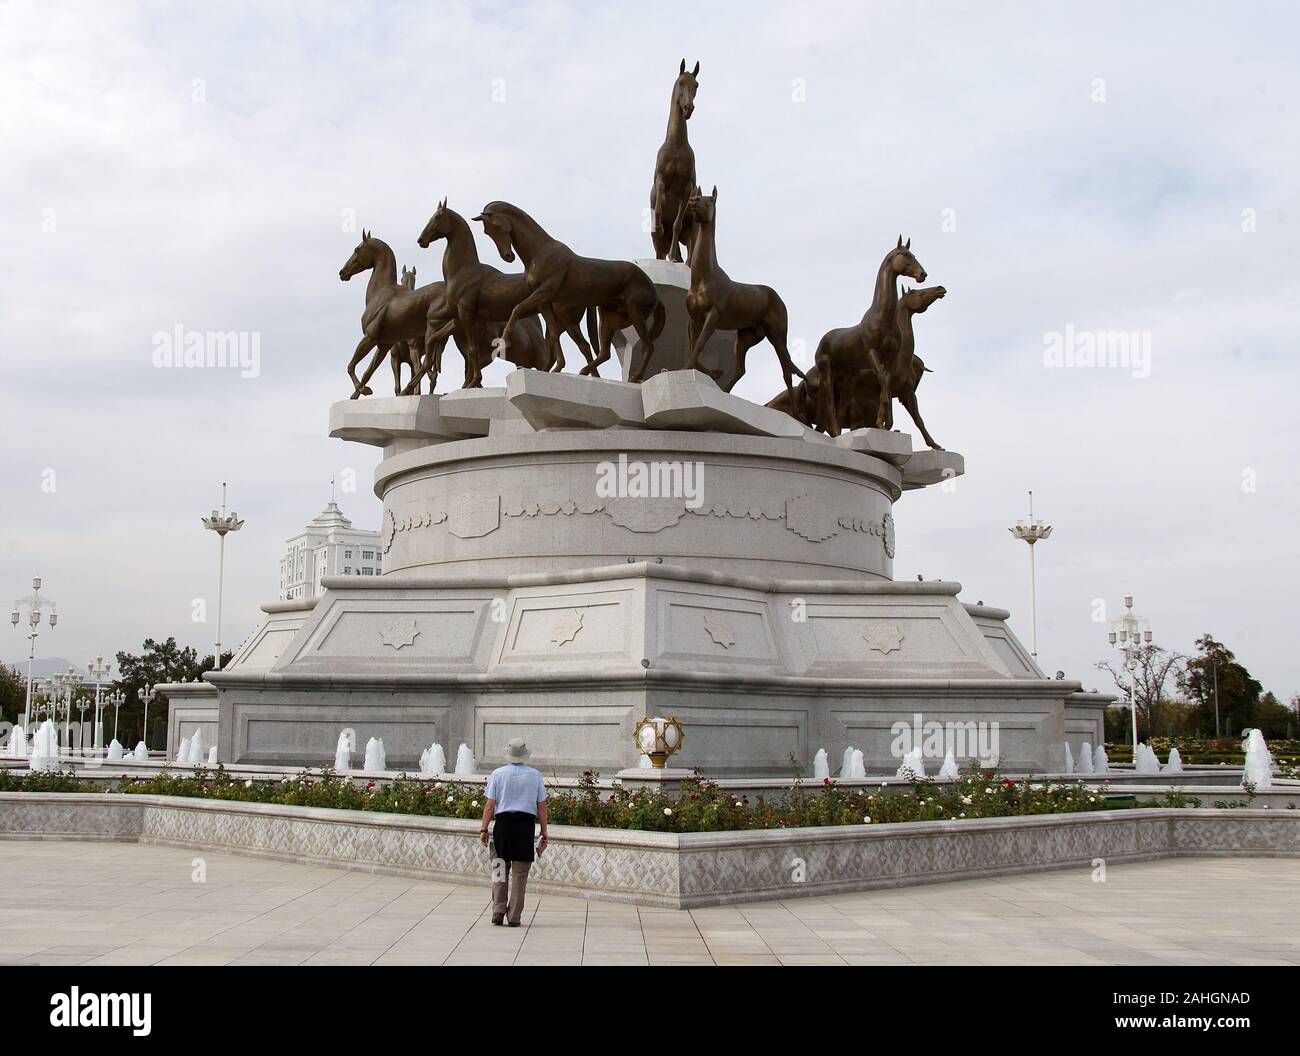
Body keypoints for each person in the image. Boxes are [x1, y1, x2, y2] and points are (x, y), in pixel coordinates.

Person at [480, 737, 548, 927]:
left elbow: (489, 805)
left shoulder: (498, 774)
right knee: (520, 875)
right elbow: (541, 807)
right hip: (524, 827)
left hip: (502, 826)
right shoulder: (535, 775)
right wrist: (544, 830)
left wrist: (484, 829)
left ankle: (498, 910)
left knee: (499, 868)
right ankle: (514, 916)